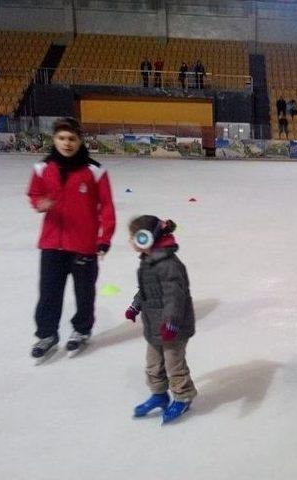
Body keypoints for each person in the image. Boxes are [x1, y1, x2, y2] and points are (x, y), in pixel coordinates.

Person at [27, 117, 116, 359]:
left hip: (83, 246)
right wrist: (39, 203)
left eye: (71, 139)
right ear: (54, 140)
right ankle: (47, 334)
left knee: (84, 292)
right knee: (48, 292)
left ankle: (81, 330)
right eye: (61, 138)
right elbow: (34, 193)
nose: (66, 143)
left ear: (79, 141)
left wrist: (104, 238)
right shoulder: (43, 168)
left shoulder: (95, 171)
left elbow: (107, 208)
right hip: (51, 244)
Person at [125, 216, 197, 424]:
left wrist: (171, 323)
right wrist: (134, 306)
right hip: (154, 325)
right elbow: (145, 291)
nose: (130, 241)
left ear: (146, 238)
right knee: (154, 364)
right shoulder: (148, 263)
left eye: (133, 237)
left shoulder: (169, 265)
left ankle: (183, 397)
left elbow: (175, 297)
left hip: (173, 328)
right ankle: (159, 394)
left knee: (174, 365)